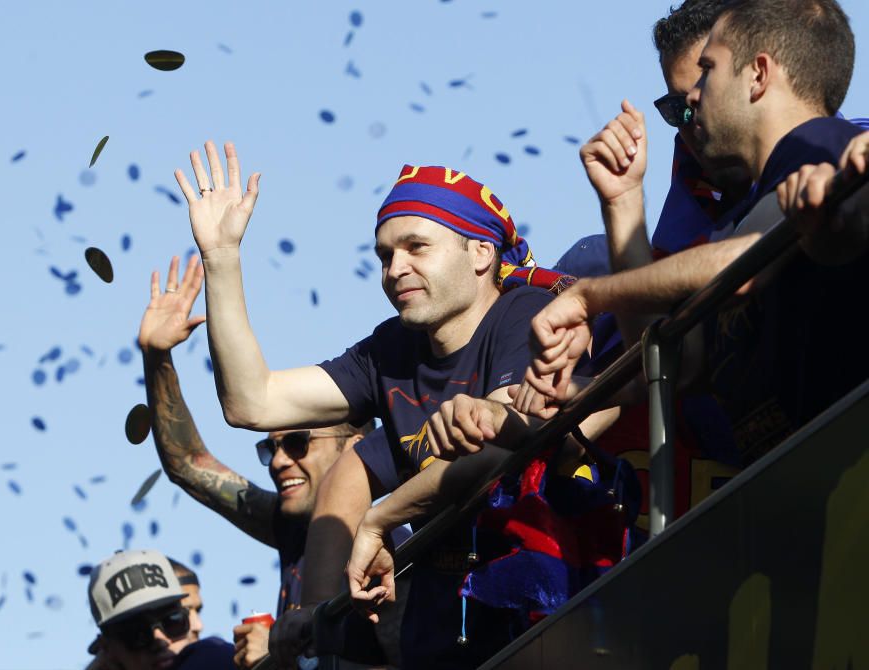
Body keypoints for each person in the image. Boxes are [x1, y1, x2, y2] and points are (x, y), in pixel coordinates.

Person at [173, 149, 626, 668]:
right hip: (439, 639)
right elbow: (251, 401)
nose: (395, 269)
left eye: (416, 247)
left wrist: (379, 519)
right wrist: (222, 257)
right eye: (385, 255)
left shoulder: (525, 313)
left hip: (552, 617)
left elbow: (501, 450)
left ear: (480, 252)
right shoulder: (389, 351)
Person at [520, 0, 869, 467]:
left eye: (707, 69)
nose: (691, 96)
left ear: (758, 74)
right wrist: (622, 202)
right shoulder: (738, 216)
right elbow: (674, 368)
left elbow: (744, 264)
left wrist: (590, 295)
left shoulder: (825, 148)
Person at [135, 257, 402, 668]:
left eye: (297, 444)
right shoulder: (293, 529)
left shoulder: (388, 548)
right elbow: (188, 464)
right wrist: (157, 358)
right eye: (269, 449)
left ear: (356, 445)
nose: (279, 461)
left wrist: (283, 659)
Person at [87, 549, 233, 670]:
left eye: (173, 621)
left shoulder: (215, 659)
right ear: (107, 648)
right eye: (138, 634)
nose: (161, 641)